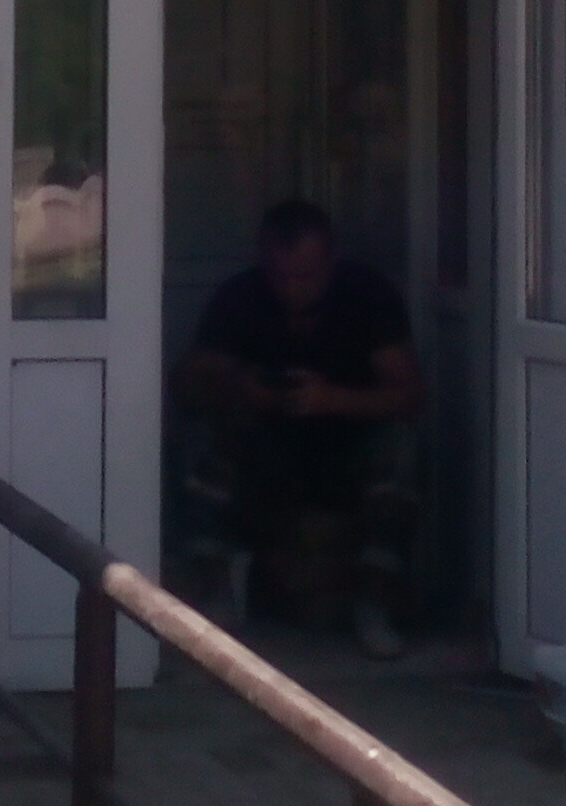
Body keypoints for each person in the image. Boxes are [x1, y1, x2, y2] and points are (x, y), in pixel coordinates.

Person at [178, 200, 422, 657]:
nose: (291, 290)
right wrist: (241, 387)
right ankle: (216, 592)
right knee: (202, 439)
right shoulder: (240, 297)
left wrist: (331, 399)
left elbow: (409, 397)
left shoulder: (368, 296)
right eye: (280, 276)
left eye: (305, 277)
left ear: (331, 261)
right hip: (266, 450)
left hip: (347, 446)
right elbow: (187, 383)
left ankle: (374, 602)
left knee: (400, 447)